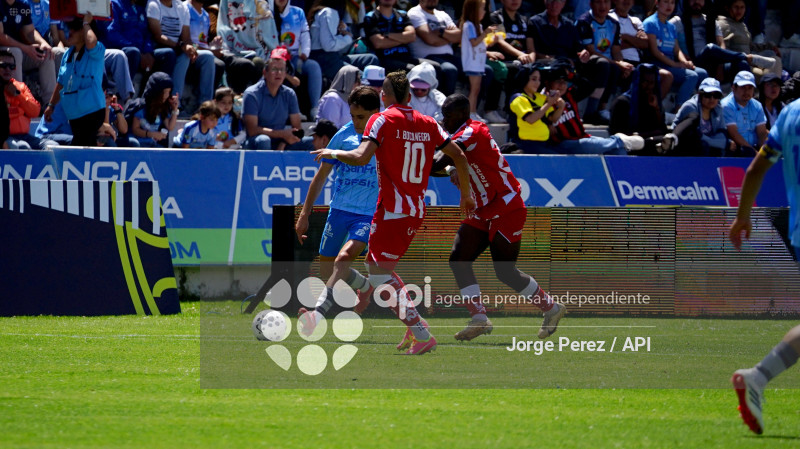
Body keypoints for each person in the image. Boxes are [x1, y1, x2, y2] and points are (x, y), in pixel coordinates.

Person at [312, 71, 476, 355]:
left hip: (391, 209)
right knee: (380, 269)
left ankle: (422, 333)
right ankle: (415, 327)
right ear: (410, 96)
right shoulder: (428, 123)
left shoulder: (382, 119)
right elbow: (459, 155)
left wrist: (333, 153)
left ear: (384, 98)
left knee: (377, 274)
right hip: (413, 209)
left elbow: (362, 155)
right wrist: (466, 194)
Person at [435, 93, 566, 341]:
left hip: (506, 206)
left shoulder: (470, 132)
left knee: (504, 271)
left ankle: (551, 308)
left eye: (448, 116)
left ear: (462, 115)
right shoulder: (462, 132)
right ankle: (479, 318)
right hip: (484, 207)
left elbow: (439, 162)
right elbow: (453, 161)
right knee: (458, 258)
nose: (445, 121)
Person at [729, 98, 800, 436]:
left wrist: (743, 216)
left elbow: (756, 168)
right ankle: (758, 375)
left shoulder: (789, 113)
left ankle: (757, 376)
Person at [295, 89, 381, 328]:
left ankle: (316, 315)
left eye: (361, 117)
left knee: (343, 259)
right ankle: (365, 287)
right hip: (339, 211)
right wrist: (305, 214)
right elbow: (321, 176)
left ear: (377, 113)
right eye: (353, 115)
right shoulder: (343, 135)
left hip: (367, 214)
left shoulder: (385, 138)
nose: (355, 122)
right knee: (328, 269)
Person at [43, 14, 106, 147]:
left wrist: (85, 23)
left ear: (84, 32)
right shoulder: (67, 54)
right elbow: (61, 82)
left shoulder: (97, 51)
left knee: (83, 147)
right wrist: (51, 105)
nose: (69, 32)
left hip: (92, 112)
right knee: (81, 146)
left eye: (74, 29)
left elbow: (91, 42)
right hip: (74, 115)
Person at [147, 0, 215, 113]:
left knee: (208, 57)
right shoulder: (154, 5)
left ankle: (205, 106)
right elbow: (158, 36)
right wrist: (182, 46)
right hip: (159, 47)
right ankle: (175, 104)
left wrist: (189, 47)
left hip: (178, 46)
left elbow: (186, 37)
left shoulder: (180, 7)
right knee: (183, 56)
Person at [576, 0, 634, 124]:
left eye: (606, 2)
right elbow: (590, 50)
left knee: (627, 69)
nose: (603, 6)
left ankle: (606, 110)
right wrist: (617, 63)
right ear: (591, 4)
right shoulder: (584, 22)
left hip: (609, 62)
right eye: (598, 2)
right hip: (587, 62)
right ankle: (591, 112)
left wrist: (622, 64)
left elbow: (616, 50)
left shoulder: (613, 23)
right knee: (605, 65)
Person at [242, 49, 312, 151]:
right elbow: (252, 130)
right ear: (265, 73)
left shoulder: (289, 94)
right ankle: (265, 167)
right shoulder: (252, 94)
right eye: (274, 69)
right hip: (256, 141)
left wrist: (284, 141)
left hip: (281, 140)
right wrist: (282, 134)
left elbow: (297, 128)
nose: (278, 73)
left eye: (282, 69)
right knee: (264, 140)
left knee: (310, 142)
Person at [643, 0, 706, 110]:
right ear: (657, 3)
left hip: (671, 63)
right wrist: (675, 64)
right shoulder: (650, 23)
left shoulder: (671, 26)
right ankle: (679, 109)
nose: (669, 6)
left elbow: (677, 50)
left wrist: (684, 62)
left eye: (672, 3)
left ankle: (703, 108)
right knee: (691, 75)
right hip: (657, 63)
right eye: (666, 2)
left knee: (702, 73)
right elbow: (654, 51)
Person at [104, 0, 176, 93]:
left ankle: (152, 98)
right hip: (125, 50)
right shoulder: (114, 5)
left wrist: (147, 51)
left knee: (168, 54)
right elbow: (112, 34)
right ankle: (123, 96)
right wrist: (139, 51)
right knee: (133, 52)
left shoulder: (140, 8)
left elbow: (147, 35)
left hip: (142, 52)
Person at [670, 0, 749, 83]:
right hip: (694, 62)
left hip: (714, 63)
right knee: (710, 48)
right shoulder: (677, 21)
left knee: (742, 64)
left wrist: (720, 67)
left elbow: (721, 44)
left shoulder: (710, 21)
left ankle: (746, 93)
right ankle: (746, 57)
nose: (696, 2)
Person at [0, 0, 56, 107]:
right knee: (16, 53)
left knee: (46, 54)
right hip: (3, 54)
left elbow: (30, 31)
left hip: (20, 51)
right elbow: (1, 36)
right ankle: (19, 102)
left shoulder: (23, 6)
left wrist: (43, 43)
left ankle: (51, 105)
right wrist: (25, 48)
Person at [307, 0, 379, 82]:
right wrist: (348, 38)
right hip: (324, 60)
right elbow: (329, 45)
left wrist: (343, 30)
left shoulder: (327, 11)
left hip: (333, 56)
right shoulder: (328, 12)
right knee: (365, 80)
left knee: (371, 59)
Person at [274, 0, 322, 119]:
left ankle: (315, 109)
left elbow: (305, 33)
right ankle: (294, 111)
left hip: (296, 57)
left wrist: (305, 52)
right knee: (287, 68)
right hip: (277, 57)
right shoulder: (268, 13)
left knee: (313, 66)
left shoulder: (298, 12)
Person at [608, 63, 667, 154]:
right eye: (645, 82)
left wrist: (656, 109)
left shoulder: (653, 101)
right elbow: (616, 134)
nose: (648, 86)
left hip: (648, 142)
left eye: (652, 83)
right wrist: (639, 136)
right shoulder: (622, 102)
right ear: (638, 81)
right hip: (628, 146)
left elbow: (662, 129)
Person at [408, 0, 463, 96]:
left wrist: (440, 31)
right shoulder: (415, 13)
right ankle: (447, 107)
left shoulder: (442, 14)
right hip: (428, 57)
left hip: (448, 56)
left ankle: (483, 110)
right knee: (450, 70)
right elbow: (430, 39)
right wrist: (448, 38)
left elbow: (458, 37)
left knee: (484, 71)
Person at [507, 63, 564, 154]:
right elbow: (531, 119)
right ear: (524, 79)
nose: (537, 83)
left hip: (543, 143)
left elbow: (552, 118)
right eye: (533, 79)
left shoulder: (541, 98)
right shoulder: (518, 98)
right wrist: (549, 103)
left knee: (566, 155)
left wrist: (561, 107)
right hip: (525, 144)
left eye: (539, 80)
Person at [668, 76, 732, 156]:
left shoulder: (718, 108)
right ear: (700, 94)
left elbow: (722, 134)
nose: (712, 99)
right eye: (708, 95)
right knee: (704, 145)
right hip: (685, 144)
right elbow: (695, 137)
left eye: (716, 95)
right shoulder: (690, 106)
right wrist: (721, 143)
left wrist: (723, 143)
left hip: (707, 144)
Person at [716, 0, 781, 78]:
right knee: (769, 75)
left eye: (742, 7)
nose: (739, 11)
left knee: (776, 60)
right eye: (736, 7)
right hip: (739, 65)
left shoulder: (742, 25)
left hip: (750, 62)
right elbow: (723, 50)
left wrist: (770, 45)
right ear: (727, 8)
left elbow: (749, 45)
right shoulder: (723, 24)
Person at [460, 0, 499, 123]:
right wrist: (486, 33)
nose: (484, 12)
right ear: (473, 10)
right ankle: (470, 114)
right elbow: (474, 42)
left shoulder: (479, 26)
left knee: (477, 90)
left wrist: (493, 41)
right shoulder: (469, 25)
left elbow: (481, 45)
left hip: (478, 63)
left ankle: (473, 112)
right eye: (482, 8)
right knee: (474, 90)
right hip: (472, 63)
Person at [362, 0, 419, 73]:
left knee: (433, 66)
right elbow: (378, 43)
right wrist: (403, 39)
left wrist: (387, 35)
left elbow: (412, 36)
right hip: (384, 59)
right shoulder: (370, 17)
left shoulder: (402, 14)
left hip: (406, 57)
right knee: (412, 70)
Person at [126, 71, 179, 147]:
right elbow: (135, 129)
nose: (166, 95)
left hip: (152, 143)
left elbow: (170, 127)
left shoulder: (162, 108)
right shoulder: (141, 107)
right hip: (138, 142)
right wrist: (152, 134)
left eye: (169, 92)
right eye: (164, 92)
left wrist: (174, 109)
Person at [1, 49, 40, 149]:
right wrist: (20, 111)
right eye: (3, 66)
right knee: (23, 147)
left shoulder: (20, 86)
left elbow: (35, 111)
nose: (8, 69)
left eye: (11, 66)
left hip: (25, 136)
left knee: (51, 145)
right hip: (6, 138)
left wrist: (18, 94)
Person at [721, 70, 767, 156]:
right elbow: (733, 134)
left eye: (750, 88)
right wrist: (755, 153)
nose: (746, 92)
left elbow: (761, 133)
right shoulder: (726, 105)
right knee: (746, 151)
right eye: (743, 87)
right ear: (734, 88)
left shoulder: (757, 105)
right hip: (737, 148)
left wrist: (763, 153)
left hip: (754, 148)